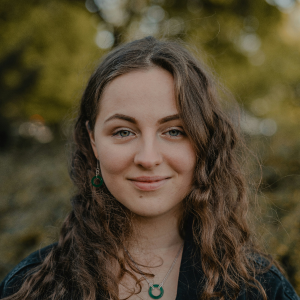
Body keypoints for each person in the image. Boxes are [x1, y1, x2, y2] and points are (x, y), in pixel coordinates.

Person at [0, 36, 299, 300]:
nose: (148, 157)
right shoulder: (31, 286)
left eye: (174, 131)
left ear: (204, 141)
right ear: (93, 141)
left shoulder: (259, 288)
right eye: (123, 132)